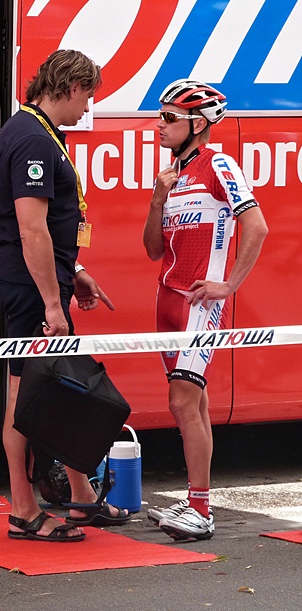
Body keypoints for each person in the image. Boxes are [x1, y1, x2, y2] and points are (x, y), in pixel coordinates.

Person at [0, 49, 125, 542]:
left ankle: (81, 495)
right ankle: (23, 510)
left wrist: (75, 271)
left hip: (36, 280)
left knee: (60, 389)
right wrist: (51, 302)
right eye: (87, 96)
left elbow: (52, 225)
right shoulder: (31, 139)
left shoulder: (32, 130)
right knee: (24, 399)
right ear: (68, 88)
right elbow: (31, 229)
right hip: (29, 288)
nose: (88, 107)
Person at [143, 79, 268, 541]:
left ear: (199, 123)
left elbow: (256, 227)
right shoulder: (172, 174)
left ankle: (201, 510)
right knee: (192, 404)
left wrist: (228, 285)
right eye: (160, 116)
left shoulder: (219, 164)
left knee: (181, 401)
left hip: (199, 303)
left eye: (170, 118)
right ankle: (198, 503)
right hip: (165, 300)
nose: (160, 124)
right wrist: (158, 199)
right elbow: (153, 250)